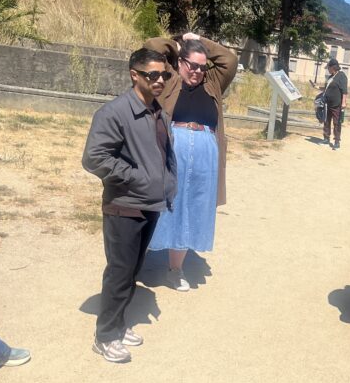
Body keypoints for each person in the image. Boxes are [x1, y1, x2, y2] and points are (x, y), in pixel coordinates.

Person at [82, 49, 177, 363]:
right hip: (124, 204)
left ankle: (119, 325)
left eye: (165, 74)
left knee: (133, 270)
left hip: (149, 204)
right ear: (134, 74)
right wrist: (137, 178)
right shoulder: (115, 112)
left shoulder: (157, 112)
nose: (160, 80)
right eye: (153, 74)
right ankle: (105, 335)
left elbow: (163, 157)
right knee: (120, 272)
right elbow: (94, 158)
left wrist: (164, 185)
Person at [145, 33, 239, 291]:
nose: (197, 71)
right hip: (172, 149)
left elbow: (229, 59)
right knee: (163, 202)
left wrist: (200, 40)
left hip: (206, 152)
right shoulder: (168, 79)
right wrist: (177, 44)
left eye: (201, 66)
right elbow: (151, 47)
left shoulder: (213, 82)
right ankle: (140, 255)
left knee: (193, 207)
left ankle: (175, 270)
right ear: (180, 62)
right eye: (192, 65)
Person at [321, 58, 348, 149]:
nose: (327, 69)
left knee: (337, 123)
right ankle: (326, 138)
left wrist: (344, 102)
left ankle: (337, 142)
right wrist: (317, 87)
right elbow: (326, 89)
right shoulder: (330, 77)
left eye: (328, 67)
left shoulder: (341, 76)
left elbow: (344, 91)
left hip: (337, 105)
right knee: (326, 121)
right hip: (327, 104)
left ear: (333, 67)